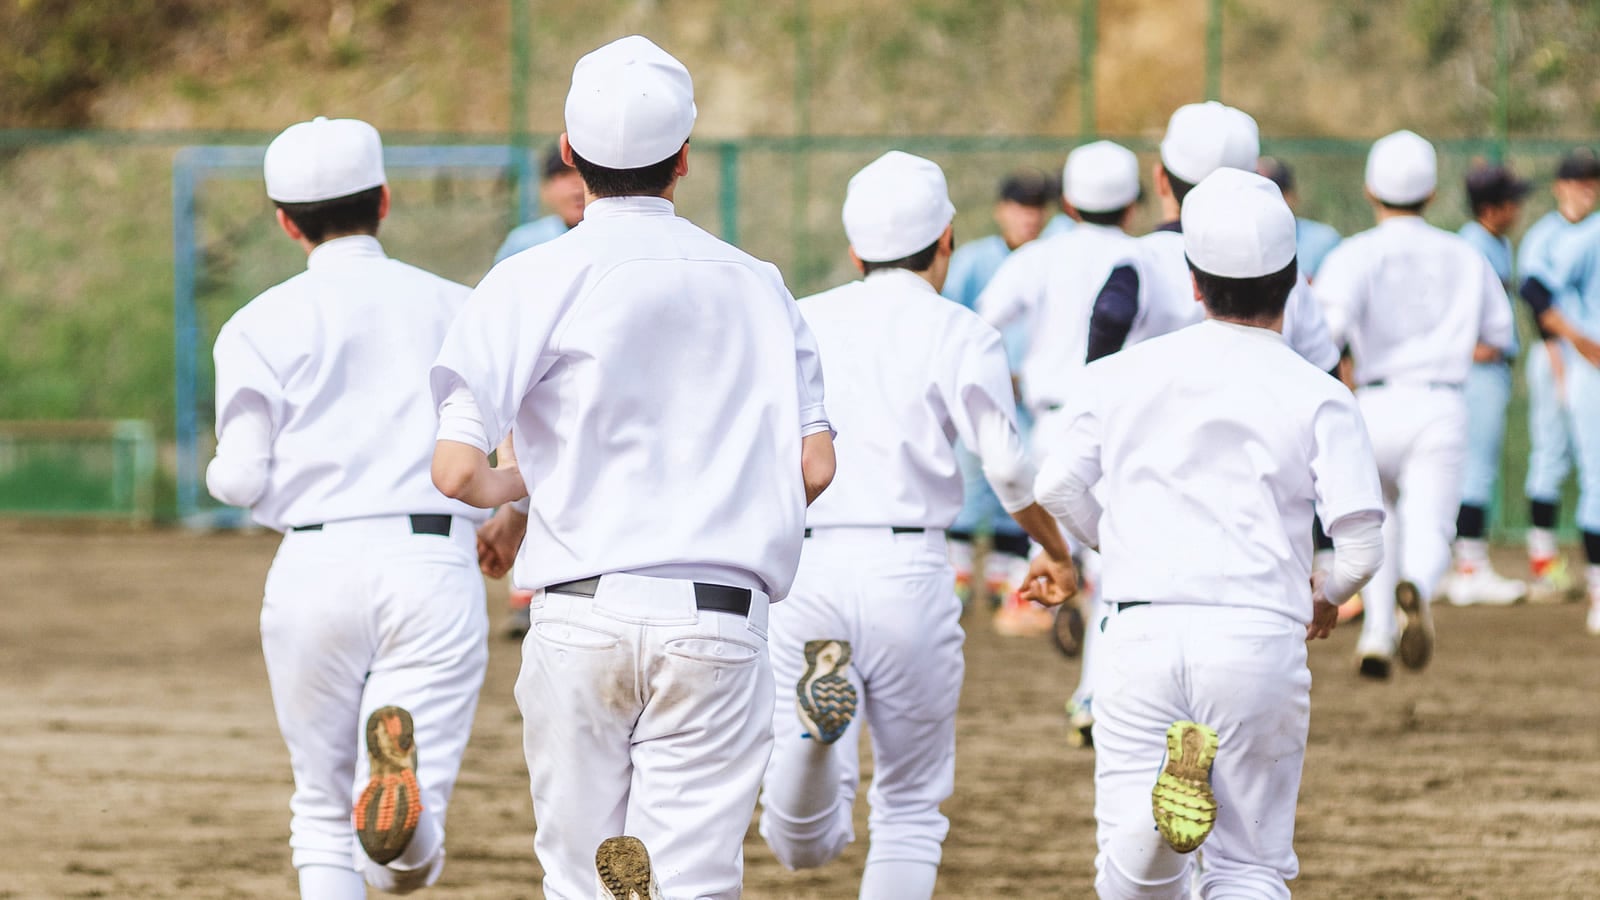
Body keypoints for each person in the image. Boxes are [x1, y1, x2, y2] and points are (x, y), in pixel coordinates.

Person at [428, 36, 837, 899]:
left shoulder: (528, 276)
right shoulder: (758, 283)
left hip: (580, 612)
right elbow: (813, 467)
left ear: (571, 157)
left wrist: (525, 489)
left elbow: (458, 473)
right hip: (720, 618)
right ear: (684, 159)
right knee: (695, 880)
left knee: (577, 880)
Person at [1035, 167, 1384, 898]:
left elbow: (1055, 486)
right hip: (1258, 633)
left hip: (1140, 629)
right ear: (1292, 282)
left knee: (1127, 877)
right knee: (1251, 865)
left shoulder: (1121, 375)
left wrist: (1114, 543)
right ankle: (1167, 826)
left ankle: (1155, 832)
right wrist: (1325, 595)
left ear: (1194, 282)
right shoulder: (1321, 394)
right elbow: (1360, 546)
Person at [757, 150, 1076, 900]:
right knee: (908, 806)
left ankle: (810, 748)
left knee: (800, 846)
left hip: (806, 566)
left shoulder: (798, 318)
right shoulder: (959, 331)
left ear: (855, 247)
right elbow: (1004, 466)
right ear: (947, 242)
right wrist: (1054, 547)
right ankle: (813, 743)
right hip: (910, 569)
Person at [207, 117, 489, 898]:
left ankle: (383, 817)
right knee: (399, 846)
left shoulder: (256, 323)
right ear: (386, 201)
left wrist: (239, 486)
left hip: (314, 561)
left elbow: (239, 474)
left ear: (285, 221)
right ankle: (404, 826)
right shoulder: (459, 306)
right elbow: (495, 448)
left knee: (318, 807)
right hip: (432, 557)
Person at [1314, 130, 1516, 678]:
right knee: (1431, 525)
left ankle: (1378, 633)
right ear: (1432, 193)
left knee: (1375, 524)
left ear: (1369, 189)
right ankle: (1418, 590)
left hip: (1372, 402)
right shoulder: (1465, 255)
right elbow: (1499, 332)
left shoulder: (1352, 254)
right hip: (1440, 402)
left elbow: (1324, 333)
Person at [978, 139, 1143, 744]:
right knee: (1116, 566)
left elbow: (983, 321)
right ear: (1133, 205)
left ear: (1067, 202)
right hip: (1117, 428)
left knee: (1057, 545)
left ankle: (1045, 579)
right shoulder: (1147, 256)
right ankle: (1093, 696)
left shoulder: (1041, 256)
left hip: (1050, 422)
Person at [940, 168, 1056, 634]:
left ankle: (1011, 586)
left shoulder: (1052, 258)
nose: (1028, 217)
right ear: (1001, 210)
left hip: (1031, 399)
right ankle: (958, 583)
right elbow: (952, 320)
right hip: (979, 389)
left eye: (1036, 207)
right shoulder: (973, 260)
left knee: (1024, 482)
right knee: (971, 482)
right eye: (1019, 206)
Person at [1442, 163, 1532, 606]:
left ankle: (1455, 565)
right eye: (1511, 200)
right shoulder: (1472, 245)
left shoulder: (1490, 244)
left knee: (1469, 467)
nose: (1518, 207)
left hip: (1485, 369)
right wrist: (1468, 348)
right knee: (1474, 467)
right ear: (1492, 207)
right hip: (1477, 373)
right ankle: (1471, 568)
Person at [1519, 157, 1600, 635]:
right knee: (1554, 455)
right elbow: (1535, 295)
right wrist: (1571, 347)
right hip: (1566, 357)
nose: (1584, 189)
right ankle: (1543, 562)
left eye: (1591, 182)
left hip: (1584, 358)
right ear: (1559, 186)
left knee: (1590, 468)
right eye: (1576, 180)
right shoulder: (1549, 236)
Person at [493, 143, 586, 263]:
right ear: (546, 189)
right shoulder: (524, 242)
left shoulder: (613, 239)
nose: (576, 183)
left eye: (583, 173)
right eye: (564, 174)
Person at [1257, 156, 1343, 278]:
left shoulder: (1324, 241)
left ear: (1292, 196)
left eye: (1277, 193)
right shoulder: (1234, 244)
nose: (1266, 204)